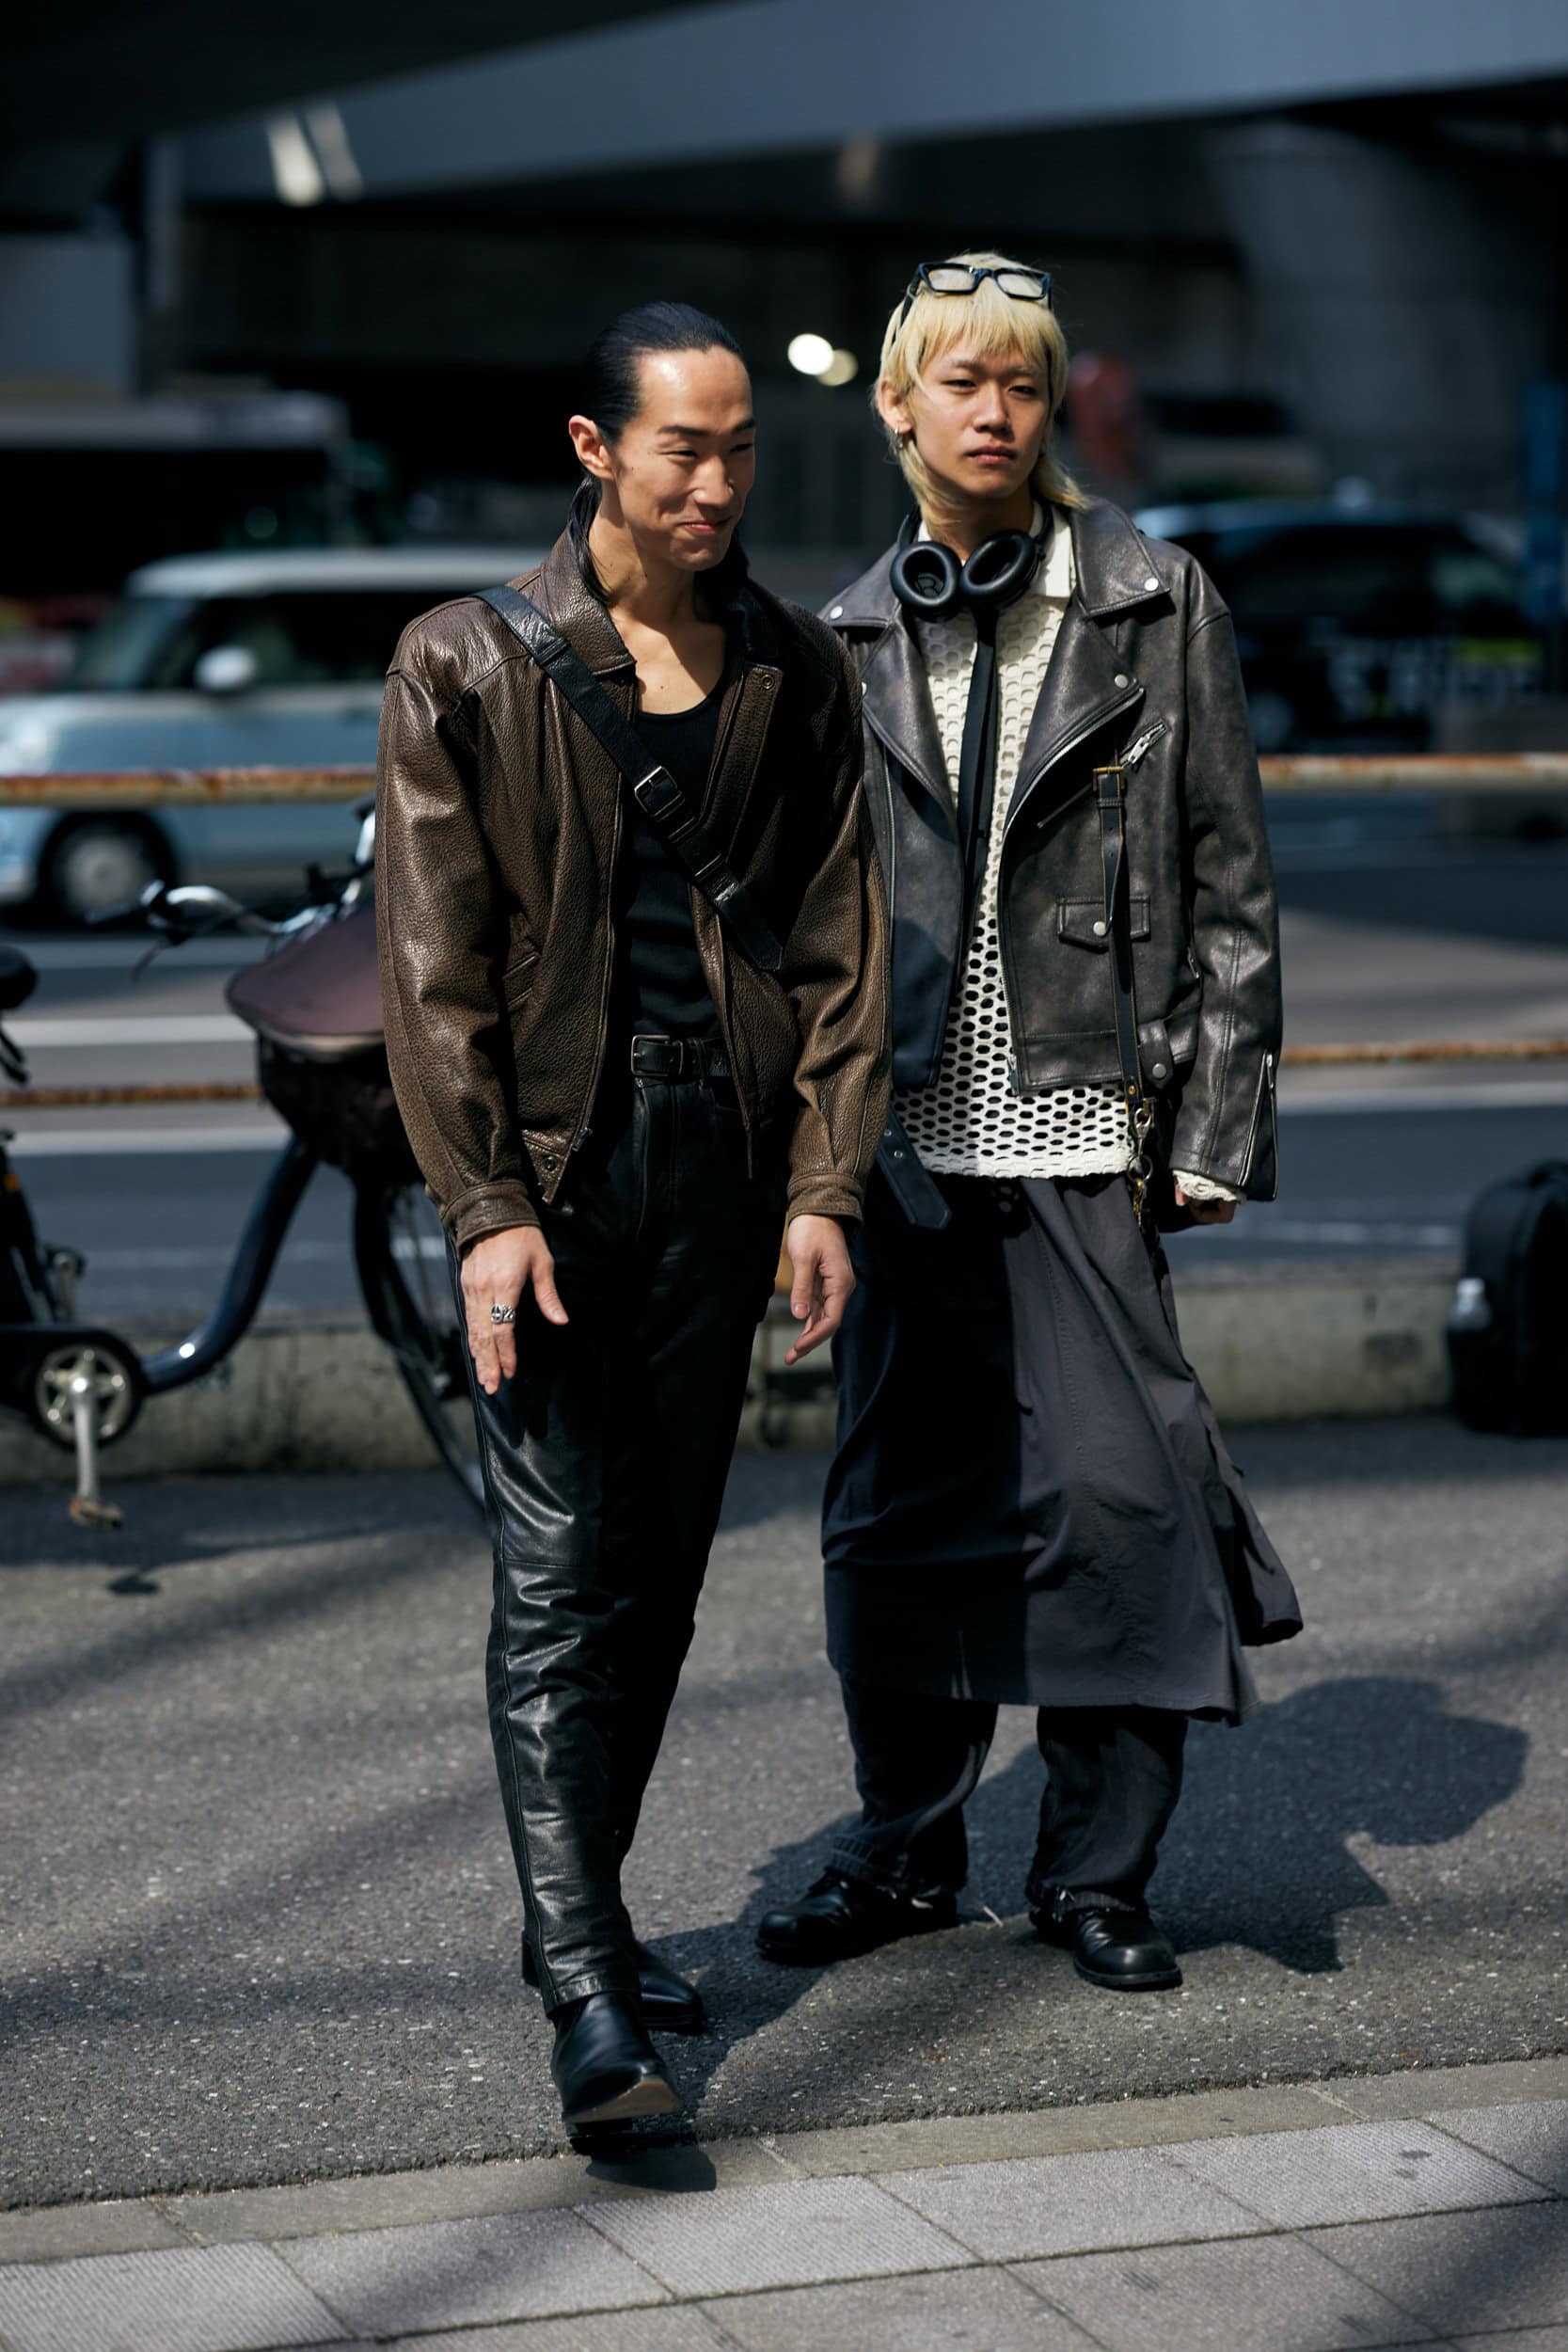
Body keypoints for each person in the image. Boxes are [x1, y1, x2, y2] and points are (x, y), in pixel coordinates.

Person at [758, 253, 1303, 1993]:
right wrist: (810, 1158)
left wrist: (1213, 1124)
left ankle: (1097, 1876)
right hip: (904, 1141)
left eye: (1023, 382)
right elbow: (806, 922)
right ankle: (905, 1850)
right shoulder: (848, 631)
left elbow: (1229, 878)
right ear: (898, 404)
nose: (995, 412)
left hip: (1087, 1125)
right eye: (963, 381)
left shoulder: (1153, 600)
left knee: (1124, 1501)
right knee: (900, 1510)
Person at [376, 302, 889, 2131]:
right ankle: (592, 1991)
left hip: (723, 1165)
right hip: (552, 1170)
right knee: (556, 1572)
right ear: (597, 448)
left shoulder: (792, 665)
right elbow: (433, 965)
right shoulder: (462, 661)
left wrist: (825, 1182)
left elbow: (840, 944)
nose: (719, 482)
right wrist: (485, 1206)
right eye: (687, 447)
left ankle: (576, 1918)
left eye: (742, 448)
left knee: (658, 1569)